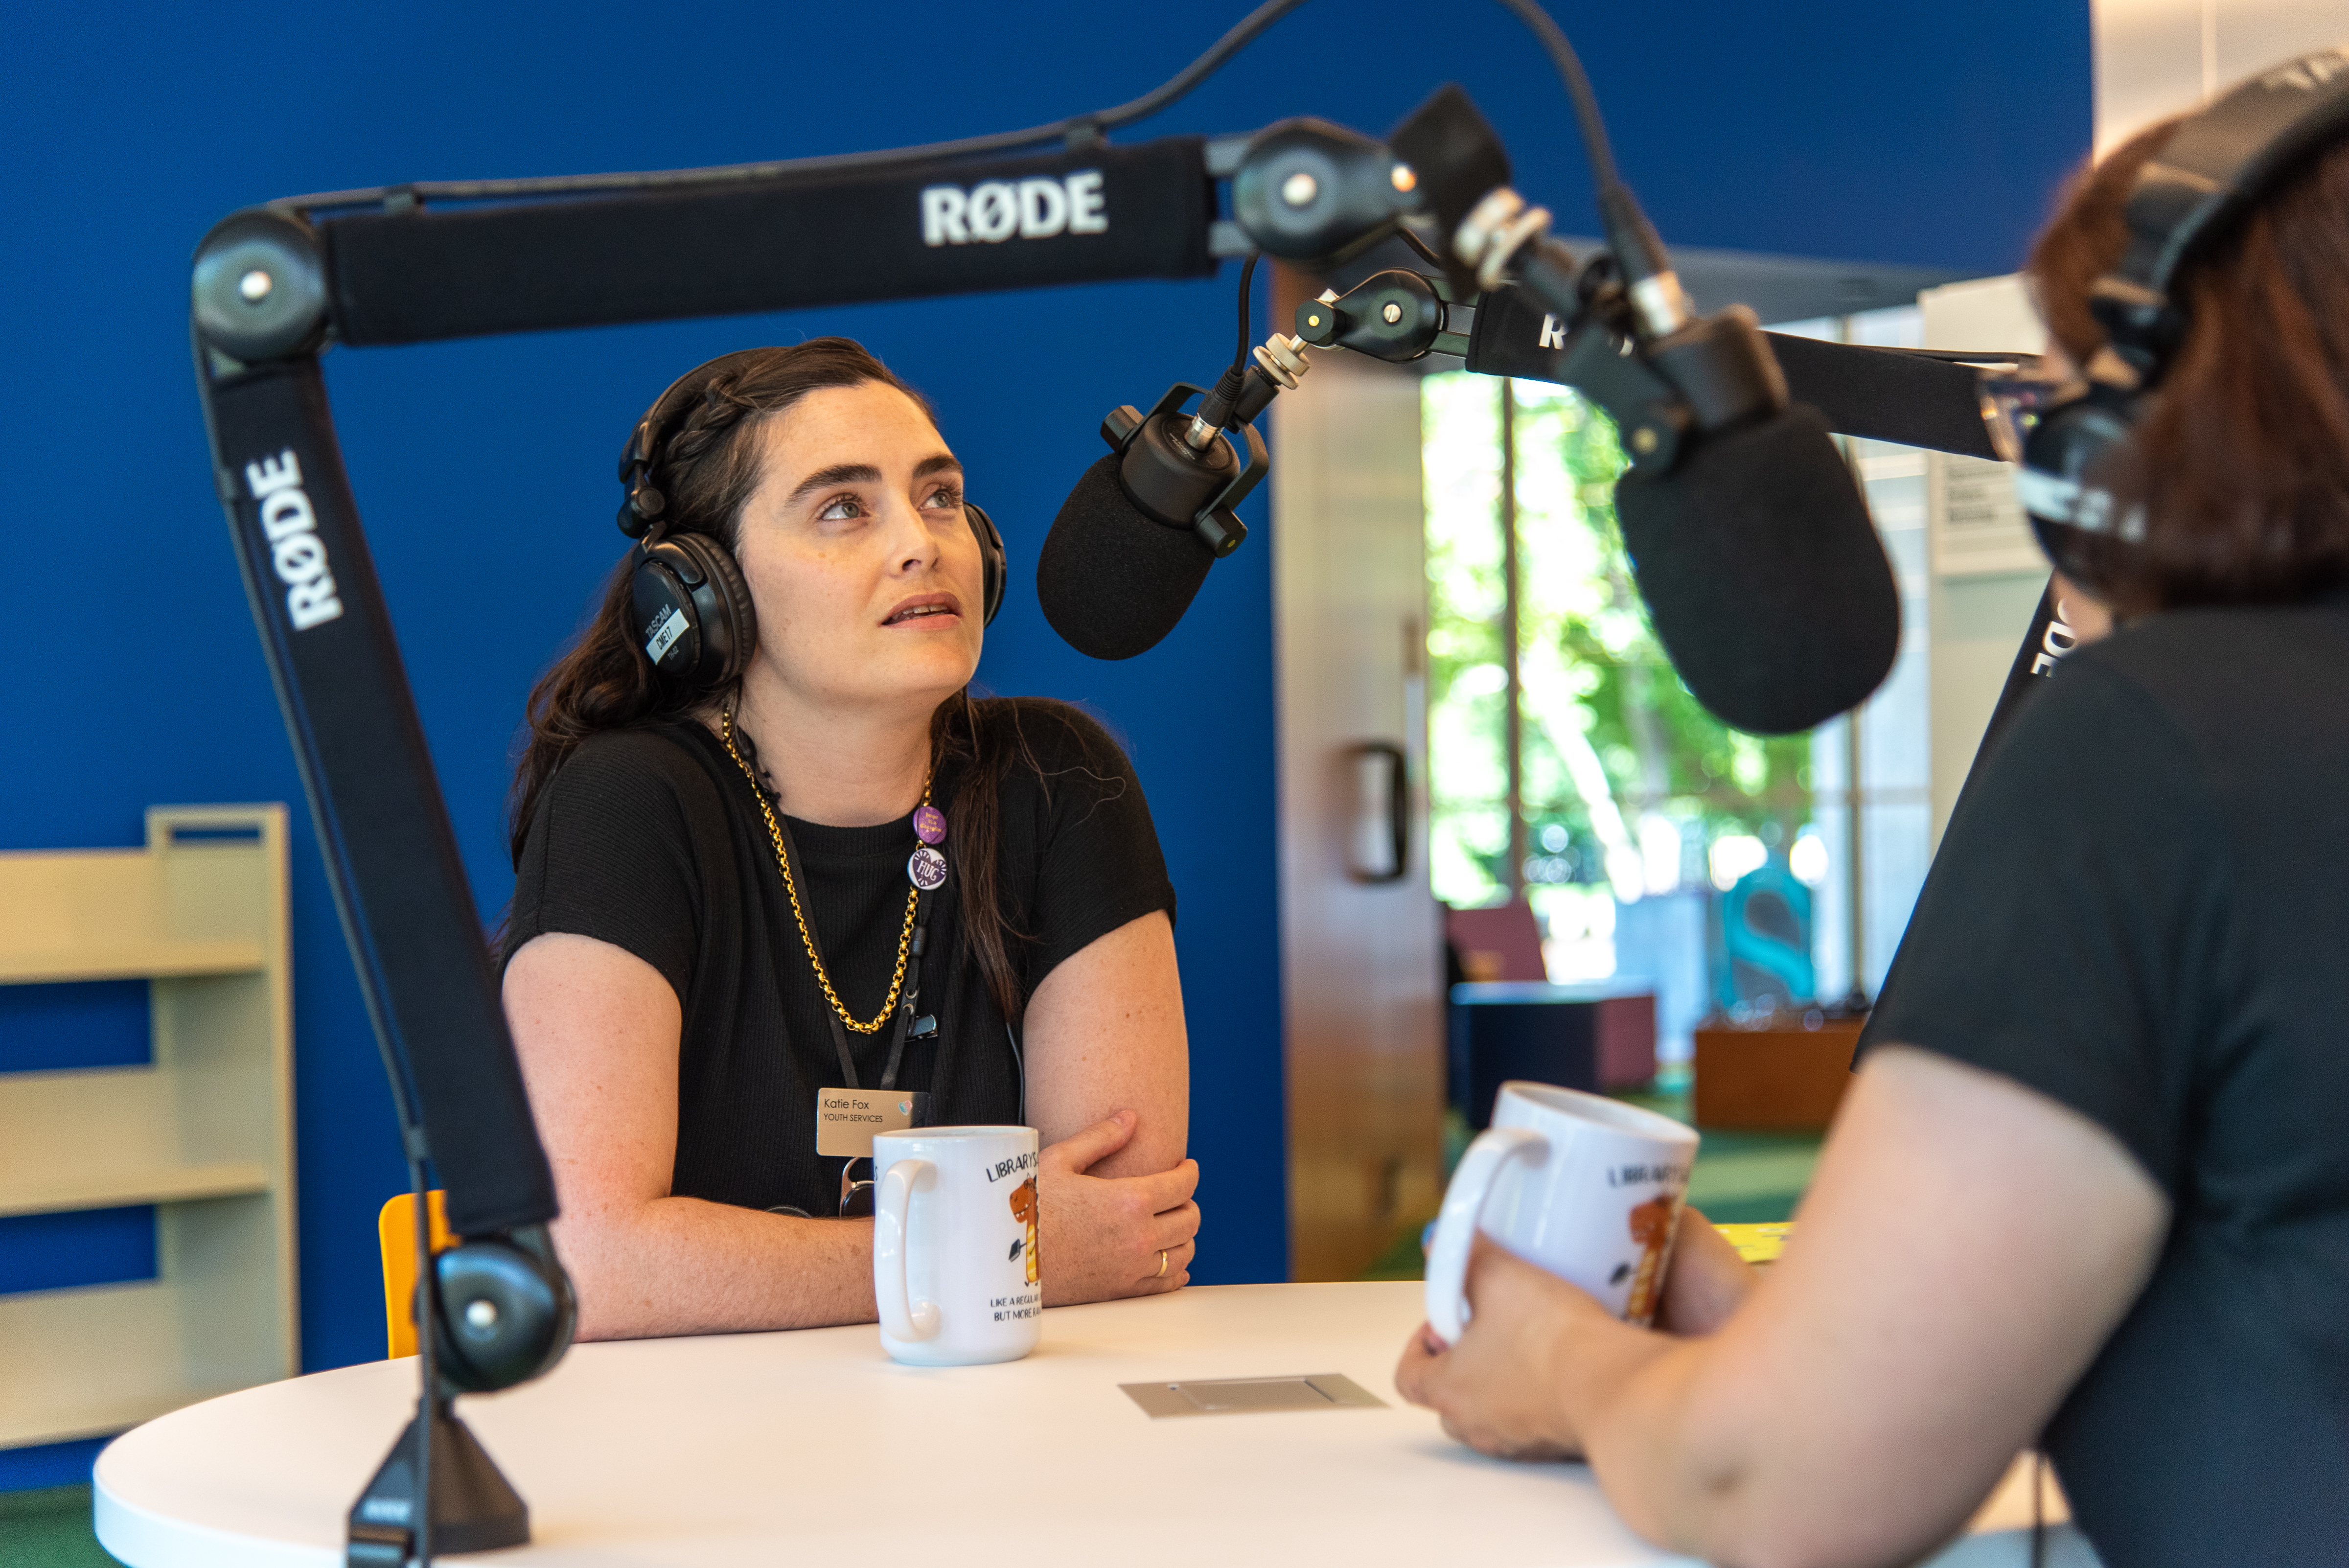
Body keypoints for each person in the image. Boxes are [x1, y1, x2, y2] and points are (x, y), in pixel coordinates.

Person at [1396, 107, 2349, 1568]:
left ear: (2123, 445)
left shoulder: (2155, 743)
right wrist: (1771, 1326)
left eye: (2053, 410)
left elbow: (1778, 1489)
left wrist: (1562, 1365)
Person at [500, 339, 1199, 1340]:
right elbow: (587, 1263)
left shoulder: (1059, 782)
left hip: (999, 1434)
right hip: (698, 1451)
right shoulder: (630, 802)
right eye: (842, 508)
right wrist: (985, 1248)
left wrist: (1020, 1247)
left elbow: (1124, 1230)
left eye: (941, 497)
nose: (922, 543)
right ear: (708, 590)